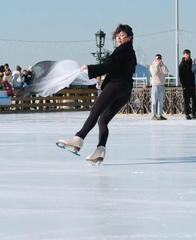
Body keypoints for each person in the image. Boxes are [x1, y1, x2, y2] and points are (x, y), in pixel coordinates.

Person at [57, 24, 137, 164]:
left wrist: (90, 68)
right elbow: (119, 70)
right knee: (103, 120)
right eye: (117, 36)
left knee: (95, 111)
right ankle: (100, 149)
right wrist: (104, 82)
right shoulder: (130, 52)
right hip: (126, 90)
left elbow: (110, 65)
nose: (119, 38)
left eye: (122, 36)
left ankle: (79, 138)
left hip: (117, 86)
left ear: (129, 38)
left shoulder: (123, 49)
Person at [149, 54, 169, 120]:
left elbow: (166, 71)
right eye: (157, 58)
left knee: (161, 101)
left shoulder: (162, 66)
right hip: (155, 85)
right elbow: (154, 73)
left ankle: (160, 114)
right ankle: (153, 115)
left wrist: (162, 65)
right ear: (155, 59)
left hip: (161, 85)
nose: (158, 59)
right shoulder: (152, 66)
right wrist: (157, 65)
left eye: (159, 58)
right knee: (154, 101)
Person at [178, 49, 196, 120]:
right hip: (186, 86)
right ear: (184, 55)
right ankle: (187, 113)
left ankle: (194, 113)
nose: (188, 55)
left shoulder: (192, 62)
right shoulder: (182, 65)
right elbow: (181, 76)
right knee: (186, 101)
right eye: (186, 54)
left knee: (194, 100)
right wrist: (183, 85)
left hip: (193, 84)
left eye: (188, 54)